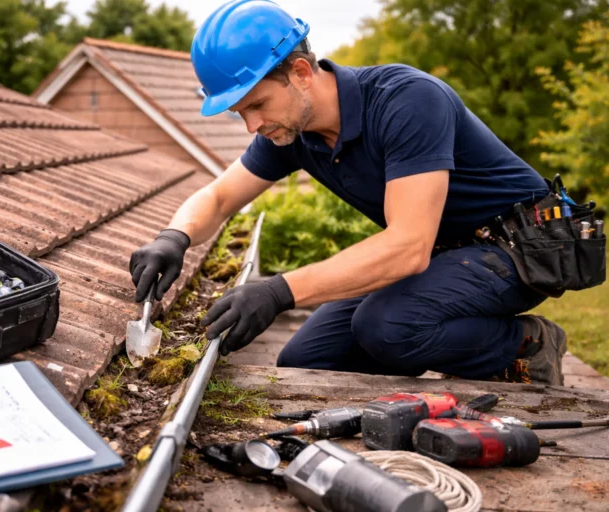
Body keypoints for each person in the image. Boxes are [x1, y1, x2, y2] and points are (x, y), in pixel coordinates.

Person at [128, 0, 567, 385]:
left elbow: (408, 248)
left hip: (524, 247)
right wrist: (174, 238)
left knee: (388, 326)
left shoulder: (407, 101)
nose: (252, 126)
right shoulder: (292, 133)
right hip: (448, 251)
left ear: (301, 73)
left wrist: (278, 292)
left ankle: (526, 346)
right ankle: (440, 350)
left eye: (257, 105)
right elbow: (220, 197)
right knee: (309, 361)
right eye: (241, 113)